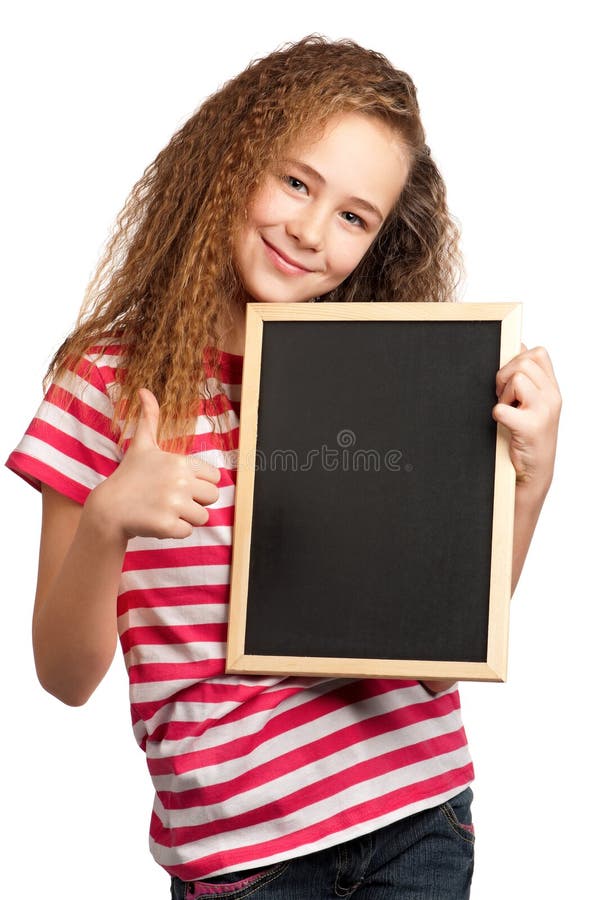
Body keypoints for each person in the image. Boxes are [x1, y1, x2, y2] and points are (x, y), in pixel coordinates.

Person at [5, 35, 561, 899]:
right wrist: (111, 516)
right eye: (297, 182)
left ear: (380, 240)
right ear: (232, 161)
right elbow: (63, 675)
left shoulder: (386, 375)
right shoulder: (108, 382)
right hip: (240, 858)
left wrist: (531, 482)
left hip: (416, 817)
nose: (309, 231)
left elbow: (442, 658)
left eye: (353, 216)